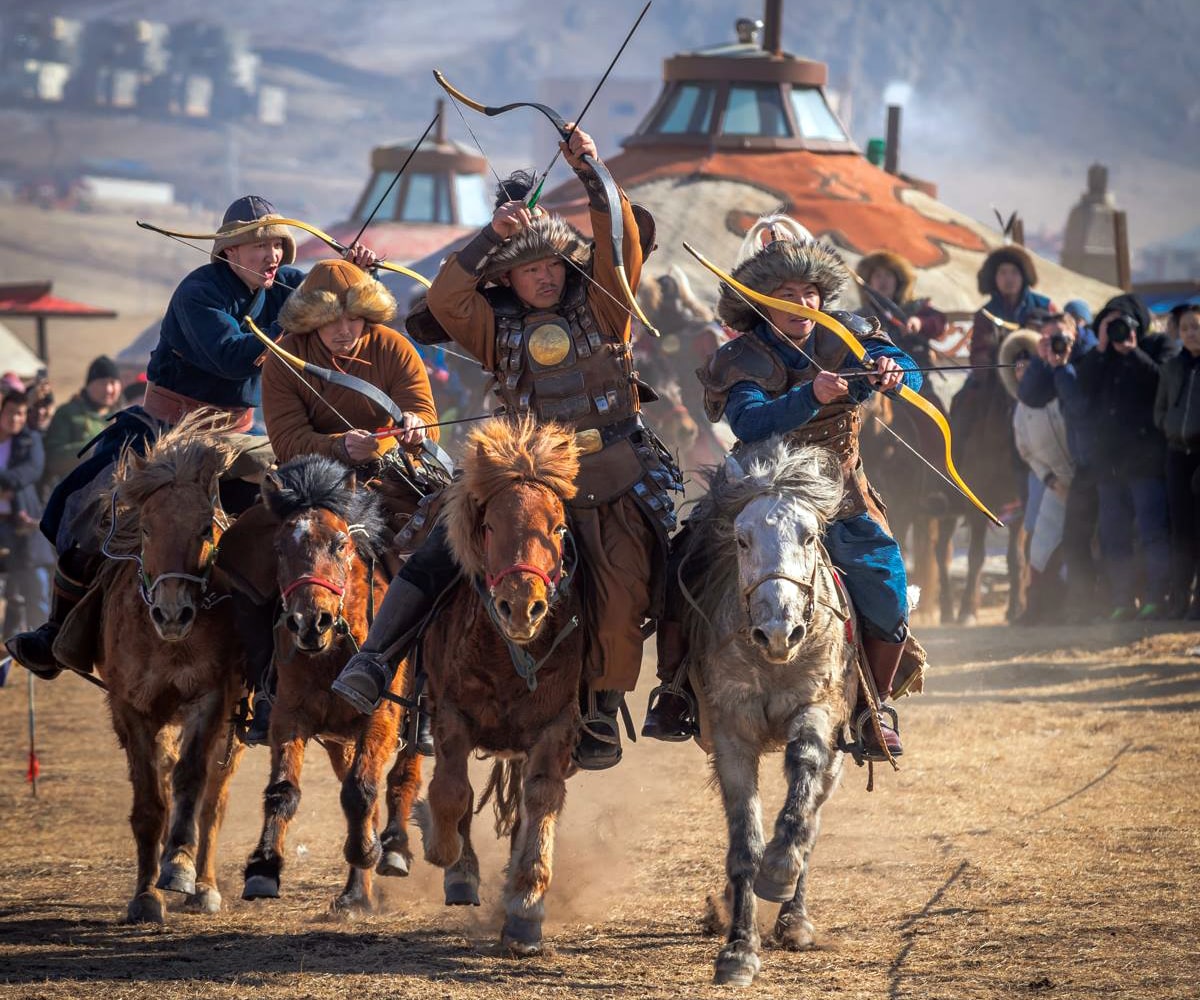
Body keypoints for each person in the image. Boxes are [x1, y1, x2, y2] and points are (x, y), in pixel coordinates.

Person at [332, 127, 680, 771]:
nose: (546, 278)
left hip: (609, 472)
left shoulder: (607, 304)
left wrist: (592, 170)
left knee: (638, 582)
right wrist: (491, 235)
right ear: (509, 277)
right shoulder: (496, 328)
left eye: (552, 265)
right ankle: (377, 661)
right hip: (520, 475)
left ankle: (615, 708)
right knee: (440, 550)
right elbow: (444, 298)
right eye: (529, 269)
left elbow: (623, 240)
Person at [4, 194, 378, 679]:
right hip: (167, 431)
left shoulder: (288, 286)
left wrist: (354, 275)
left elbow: (341, 308)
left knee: (299, 509)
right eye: (258, 245)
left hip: (240, 437)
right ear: (229, 251)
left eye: (278, 246)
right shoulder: (198, 291)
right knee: (89, 508)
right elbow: (232, 356)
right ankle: (55, 631)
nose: (272, 257)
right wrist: (300, 318)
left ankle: (281, 654)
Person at [653, 220, 924, 759]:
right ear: (761, 303)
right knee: (681, 570)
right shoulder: (738, 357)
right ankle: (674, 691)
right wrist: (812, 396)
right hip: (755, 490)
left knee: (886, 585)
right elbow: (750, 422)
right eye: (785, 295)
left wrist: (895, 371)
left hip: (839, 492)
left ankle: (873, 709)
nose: (801, 304)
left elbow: (910, 371)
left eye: (810, 294)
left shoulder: (848, 333)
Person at [217, 258, 440, 745]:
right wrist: (340, 446)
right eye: (332, 321)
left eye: (354, 319)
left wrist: (414, 428)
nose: (344, 330)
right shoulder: (284, 357)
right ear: (309, 321)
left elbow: (422, 410)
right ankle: (268, 690)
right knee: (241, 556)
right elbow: (287, 439)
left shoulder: (394, 347)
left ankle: (424, 701)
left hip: (389, 482)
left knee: (432, 562)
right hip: (309, 487)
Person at [1060, 294, 1176, 620]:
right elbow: (1080, 391)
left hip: (1145, 462)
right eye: (1109, 324)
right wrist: (1100, 349)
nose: (1117, 330)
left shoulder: (1157, 347)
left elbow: (1163, 383)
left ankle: (1158, 598)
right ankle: (1121, 601)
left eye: (1122, 322)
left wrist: (1133, 352)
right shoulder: (1097, 358)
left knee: (1153, 533)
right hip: (1107, 465)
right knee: (1114, 537)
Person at [1002, 329, 1074, 624]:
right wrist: (1050, 480)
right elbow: (1027, 451)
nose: (1023, 371)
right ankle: (1038, 607)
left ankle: (1075, 603)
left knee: (1080, 544)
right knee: (1040, 546)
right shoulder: (1020, 410)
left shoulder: (1062, 393)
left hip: (1083, 479)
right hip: (1052, 483)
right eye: (1017, 366)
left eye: (1029, 364)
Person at [1154, 304, 1200, 618]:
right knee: (1180, 531)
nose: (1191, 333)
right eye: (1185, 328)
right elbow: (1160, 408)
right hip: (1176, 454)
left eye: (1196, 327)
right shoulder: (1172, 367)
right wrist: (1169, 425)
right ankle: (1179, 599)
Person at [0, 391, 51, 639]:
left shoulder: (29, 441)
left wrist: (5, 483)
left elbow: (31, 471)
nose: (16, 419)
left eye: (21, 413)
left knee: (29, 589)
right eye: (11, 412)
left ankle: (35, 640)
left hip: (21, 525)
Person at [40, 355, 122, 491]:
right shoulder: (68, 413)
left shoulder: (123, 417)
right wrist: (92, 449)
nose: (108, 389)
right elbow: (53, 459)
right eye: (102, 383)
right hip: (76, 493)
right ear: (89, 384)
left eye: (113, 382)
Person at [969, 245, 1054, 372]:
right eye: (1003, 272)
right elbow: (978, 356)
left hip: (1037, 374)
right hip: (995, 378)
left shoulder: (1045, 307)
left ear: (1023, 276)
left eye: (1014, 272)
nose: (1009, 278)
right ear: (994, 277)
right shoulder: (985, 315)